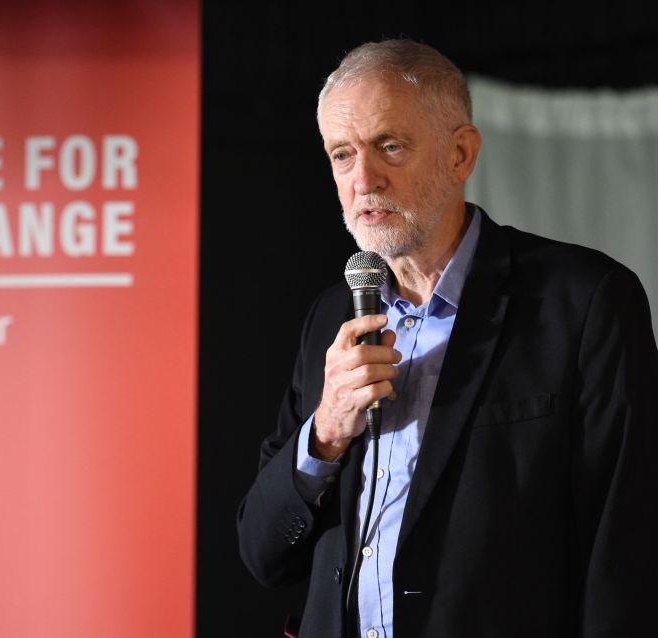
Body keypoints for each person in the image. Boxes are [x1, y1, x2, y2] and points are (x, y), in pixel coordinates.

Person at [237, 39, 657, 638]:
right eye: (341, 154)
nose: (363, 179)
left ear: (460, 154)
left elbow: (628, 548)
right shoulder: (331, 316)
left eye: (389, 146)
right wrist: (326, 432)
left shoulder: (584, 302)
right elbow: (262, 553)